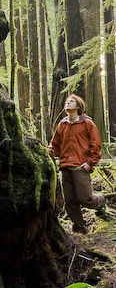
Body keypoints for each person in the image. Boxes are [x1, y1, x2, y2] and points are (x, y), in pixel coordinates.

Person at [48, 93, 106, 234]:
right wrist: (49, 152)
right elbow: (54, 144)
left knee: (85, 199)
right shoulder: (62, 124)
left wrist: (90, 163)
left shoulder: (87, 123)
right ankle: (79, 227)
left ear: (78, 106)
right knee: (70, 201)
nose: (68, 103)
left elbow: (95, 143)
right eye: (67, 101)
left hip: (80, 167)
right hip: (65, 167)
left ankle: (101, 200)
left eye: (71, 101)